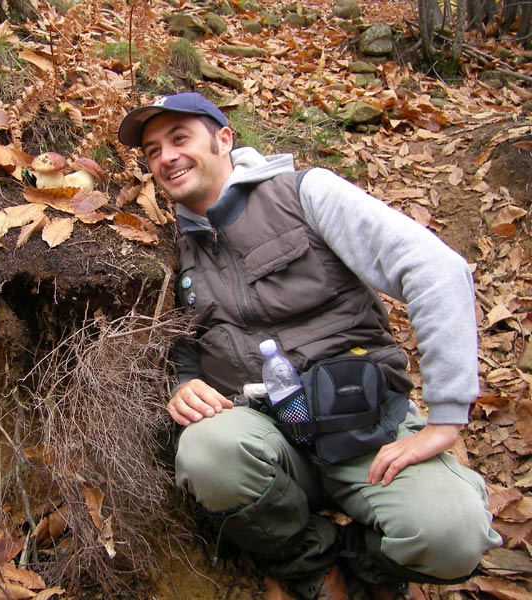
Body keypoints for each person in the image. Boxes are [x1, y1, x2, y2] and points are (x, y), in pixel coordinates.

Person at [117, 92, 501, 599]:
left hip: (366, 428)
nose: (166, 157)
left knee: (454, 535)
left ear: (224, 139)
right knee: (207, 451)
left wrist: (447, 417)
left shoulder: (304, 193)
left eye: (179, 138)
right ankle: (312, 565)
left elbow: (436, 269)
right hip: (265, 440)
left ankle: (368, 567)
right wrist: (183, 382)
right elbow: (180, 340)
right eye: (152, 151)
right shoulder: (171, 247)